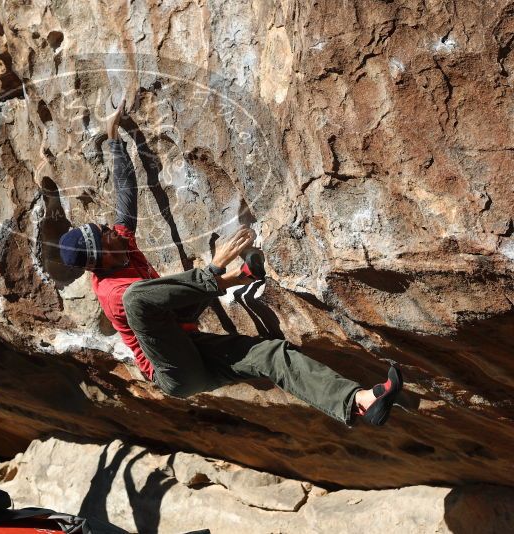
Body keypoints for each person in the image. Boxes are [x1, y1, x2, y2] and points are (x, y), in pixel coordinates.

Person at [58, 98, 402, 427]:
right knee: (140, 299)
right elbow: (165, 299)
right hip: (174, 370)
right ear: (102, 255)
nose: (110, 228)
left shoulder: (120, 245)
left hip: (190, 341)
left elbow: (125, 195)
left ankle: (357, 402)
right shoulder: (115, 293)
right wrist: (214, 269)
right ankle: (233, 274)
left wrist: (114, 138)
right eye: (104, 233)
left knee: (270, 355)